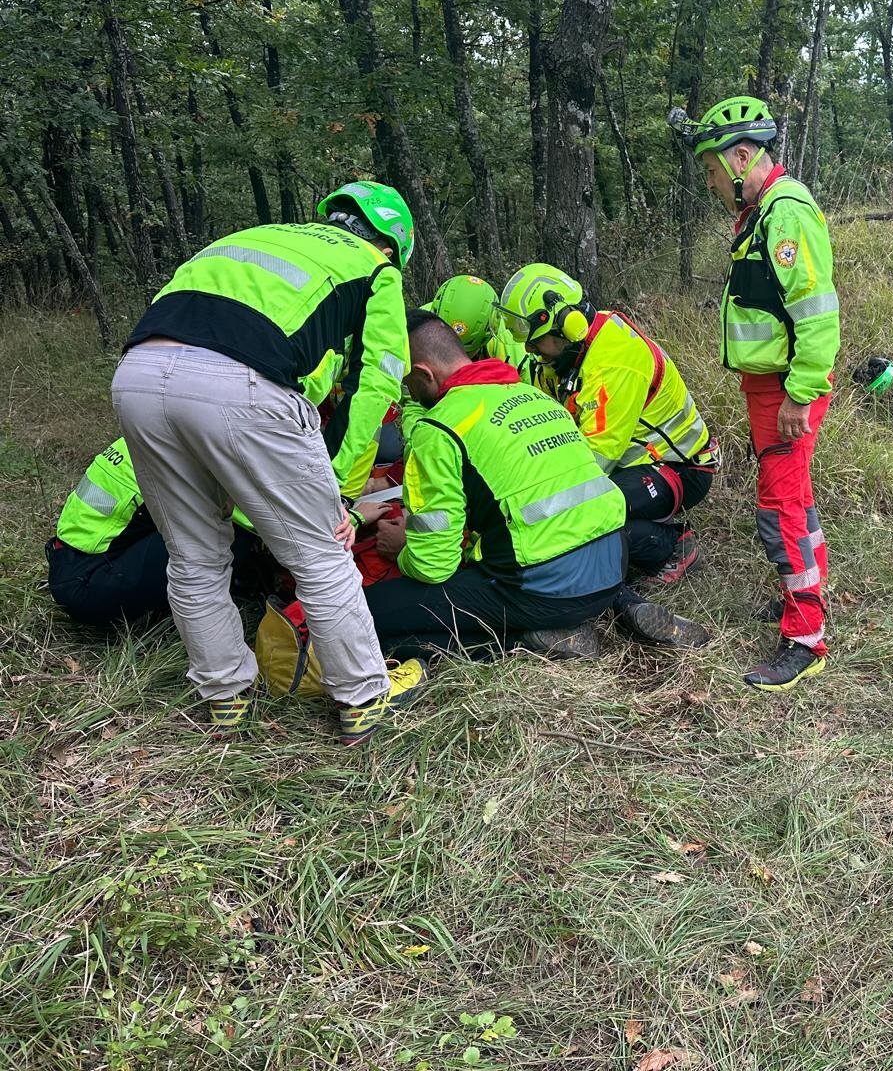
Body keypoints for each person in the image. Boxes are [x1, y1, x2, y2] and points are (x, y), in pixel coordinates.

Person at [112, 180, 425, 745]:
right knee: (321, 554)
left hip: (135, 378)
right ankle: (361, 696)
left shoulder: (253, 239)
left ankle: (226, 695)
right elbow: (375, 384)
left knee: (193, 555)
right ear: (391, 244)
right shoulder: (375, 269)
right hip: (240, 384)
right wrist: (344, 494)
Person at [361, 311, 709, 661]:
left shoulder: (436, 429)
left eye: (409, 383)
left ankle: (523, 641)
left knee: (367, 616)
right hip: (614, 567)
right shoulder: (536, 397)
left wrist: (403, 549)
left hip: (545, 590)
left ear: (424, 373)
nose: (409, 391)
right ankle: (615, 605)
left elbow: (434, 566)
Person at [672, 95, 840, 691]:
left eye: (714, 169)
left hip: (786, 391)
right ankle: (805, 599)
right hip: (769, 386)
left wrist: (799, 395)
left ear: (742, 157)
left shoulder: (785, 215)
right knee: (796, 497)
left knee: (781, 507)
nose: (712, 182)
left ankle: (804, 637)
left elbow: (818, 316)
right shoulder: (762, 213)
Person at [497, 265, 718, 586]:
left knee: (586, 511)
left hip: (678, 469)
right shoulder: (565, 354)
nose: (530, 350)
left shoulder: (615, 361)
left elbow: (594, 461)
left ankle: (672, 545)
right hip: (630, 463)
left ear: (566, 325)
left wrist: (537, 507)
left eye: (535, 342)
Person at [47, 438, 269, 628]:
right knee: (230, 534)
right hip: (89, 579)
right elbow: (256, 520)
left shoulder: (164, 421)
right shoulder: (223, 445)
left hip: (74, 557)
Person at [424, 273, 533, 380]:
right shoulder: (416, 329)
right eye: (447, 350)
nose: (456, 359)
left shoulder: (513, 351)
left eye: (466, 353)